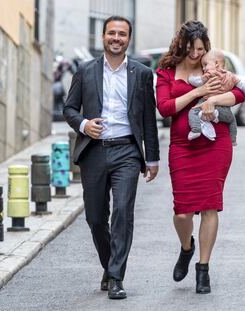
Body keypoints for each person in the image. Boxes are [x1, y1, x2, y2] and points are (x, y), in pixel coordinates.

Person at [63, 15, 159, 300]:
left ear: (129, 39)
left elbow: (148, 120)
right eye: (112, 33)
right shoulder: (85, 70)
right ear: (102, 37)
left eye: (122, 34)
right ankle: (109, 265)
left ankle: (116, 277)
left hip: (127, 151)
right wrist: (84, 125)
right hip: (93, 151)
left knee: (122, 212)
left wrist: (151, 158)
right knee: (95, 217)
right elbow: (69, 109)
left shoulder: (141, 74)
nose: (116, 38)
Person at [156, 20, 245, 294]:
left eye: (200, 48)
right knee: (182, 212)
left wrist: (214, 100)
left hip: (215, 145)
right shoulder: (166, 72)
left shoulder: (214, 68)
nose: (195, 54)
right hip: (182, 146)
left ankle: (203, 269)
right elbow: (165, 108)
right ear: (180, 44)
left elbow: (240, 93)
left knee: (210, 206)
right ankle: (186, 247)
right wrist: (199, 92)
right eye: (190, 48)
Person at [187, 49, 245, 144]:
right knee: (232, 121)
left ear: (217, 64)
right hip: (225, 107)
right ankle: (233, 140)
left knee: (193, 111)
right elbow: (242, 85)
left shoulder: (209, 75)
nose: (203, 68)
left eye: (205, 65)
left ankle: (196, 130)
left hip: (207, 103)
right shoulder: (230, 75)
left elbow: (196, 82)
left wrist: (190, 78)